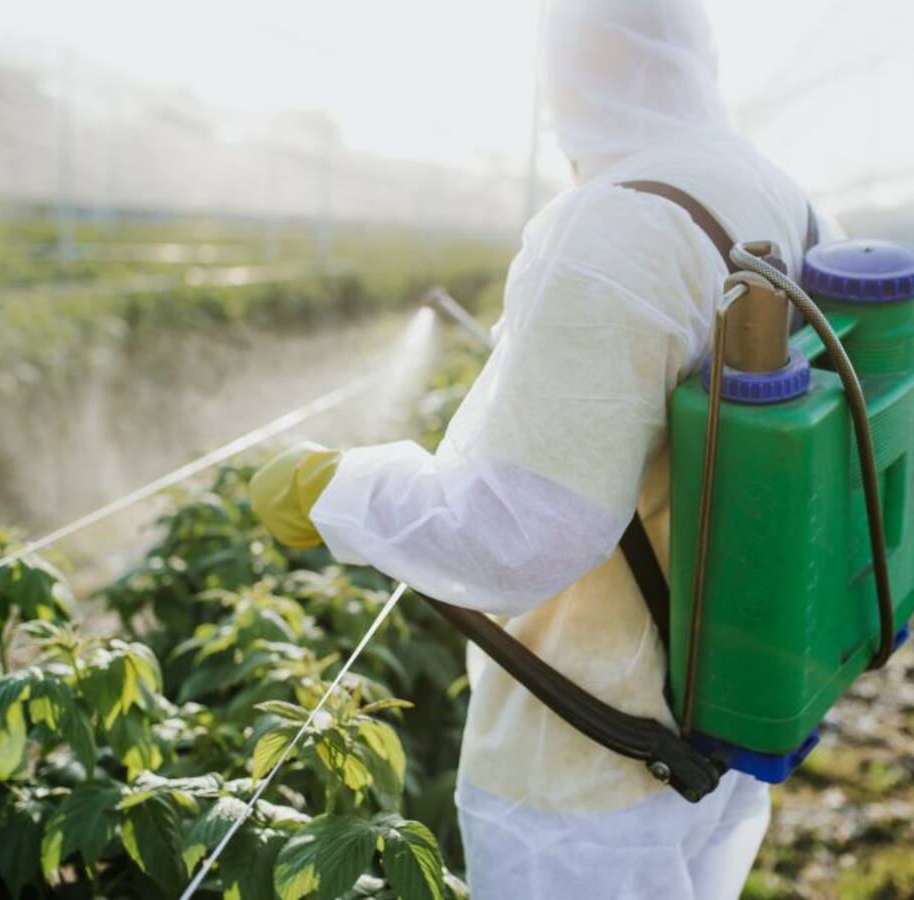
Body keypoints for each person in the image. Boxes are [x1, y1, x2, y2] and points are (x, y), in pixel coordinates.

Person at [249, 0, 839, 897]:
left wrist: (338, 488)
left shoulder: (617, 228)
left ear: (566, 69)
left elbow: (522, 534)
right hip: (719, 704)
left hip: (587, 769)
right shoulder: (772, 189)